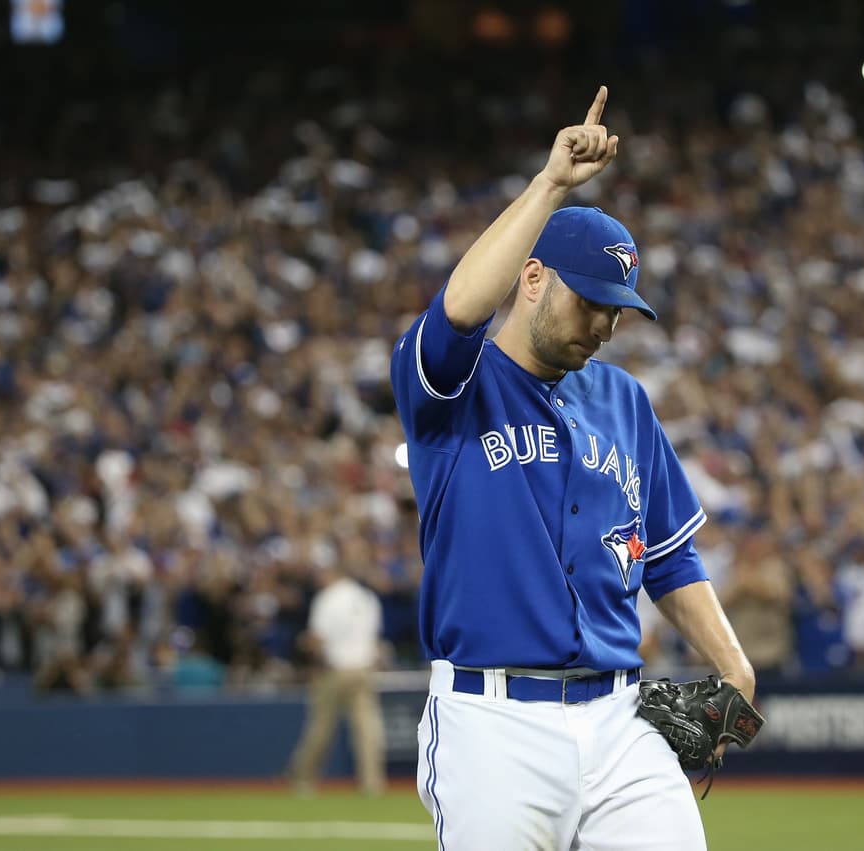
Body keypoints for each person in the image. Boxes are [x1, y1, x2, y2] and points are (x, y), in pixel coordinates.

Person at [389, 86, 756, 850]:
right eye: (590, 300)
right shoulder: (453, 390)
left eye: (618, 307)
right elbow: (459, 309)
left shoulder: (624, 400)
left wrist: (734, 667)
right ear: (532, 279)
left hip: (622, 718)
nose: (607, 323)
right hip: (493, 722)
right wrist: (550, 183)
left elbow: (670, 556)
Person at [287, 560, 386, 796]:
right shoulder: (367, 597)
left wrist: (302, 645)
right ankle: (372, 782)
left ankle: (303, 779)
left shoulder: (328, 598)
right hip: (363, 668)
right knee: (367, 729)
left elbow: (316, 639)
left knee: (320, 727)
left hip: (334, 669)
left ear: (332, 573)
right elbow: (375, 637)